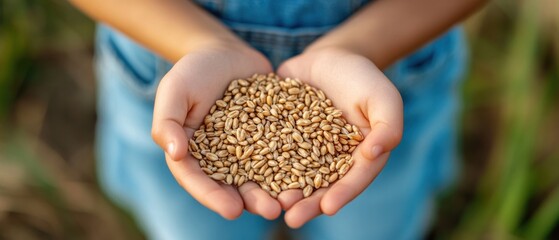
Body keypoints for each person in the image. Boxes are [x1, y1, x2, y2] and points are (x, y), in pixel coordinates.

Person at [69, 0, 486, 239]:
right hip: (167, 60)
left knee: (371, 229)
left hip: (390, 64)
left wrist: (363, 44)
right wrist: (199, 42)